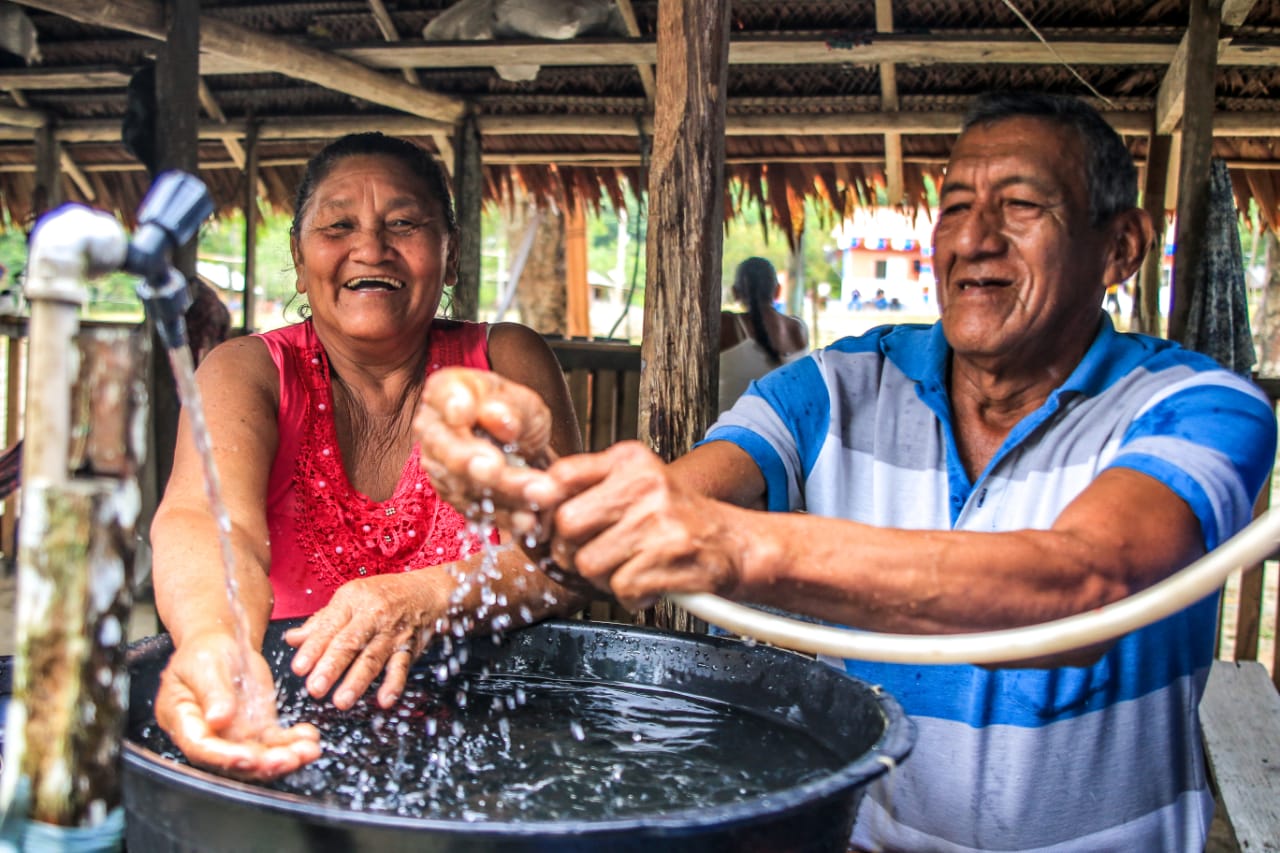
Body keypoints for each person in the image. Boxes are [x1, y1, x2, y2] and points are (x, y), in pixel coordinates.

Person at [413, 92, 1277, 851]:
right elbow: (673, 501)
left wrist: (737, 547)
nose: (975, 238)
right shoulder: (836, 385)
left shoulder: (1201, 406)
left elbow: (1090, 581)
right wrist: (533, 479)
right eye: (956, 205)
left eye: (1021, 206)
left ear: (1120, 247)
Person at [149, 132, 584, 782]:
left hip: (487, 741)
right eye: (339, 224)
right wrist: (217, 640)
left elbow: (568, 558)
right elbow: (209, 527)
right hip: (295, 739)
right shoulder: (245, 373)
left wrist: (436, 593)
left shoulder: (505, 362)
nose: (371, 248)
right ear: (299, 259)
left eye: (403, 223)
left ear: (451, 252)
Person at [717, 257, 808, 413]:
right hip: (787, 434)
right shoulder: (798, 329)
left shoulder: (726, 325)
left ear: (735, 292)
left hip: (730, 433)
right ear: (778, 290)